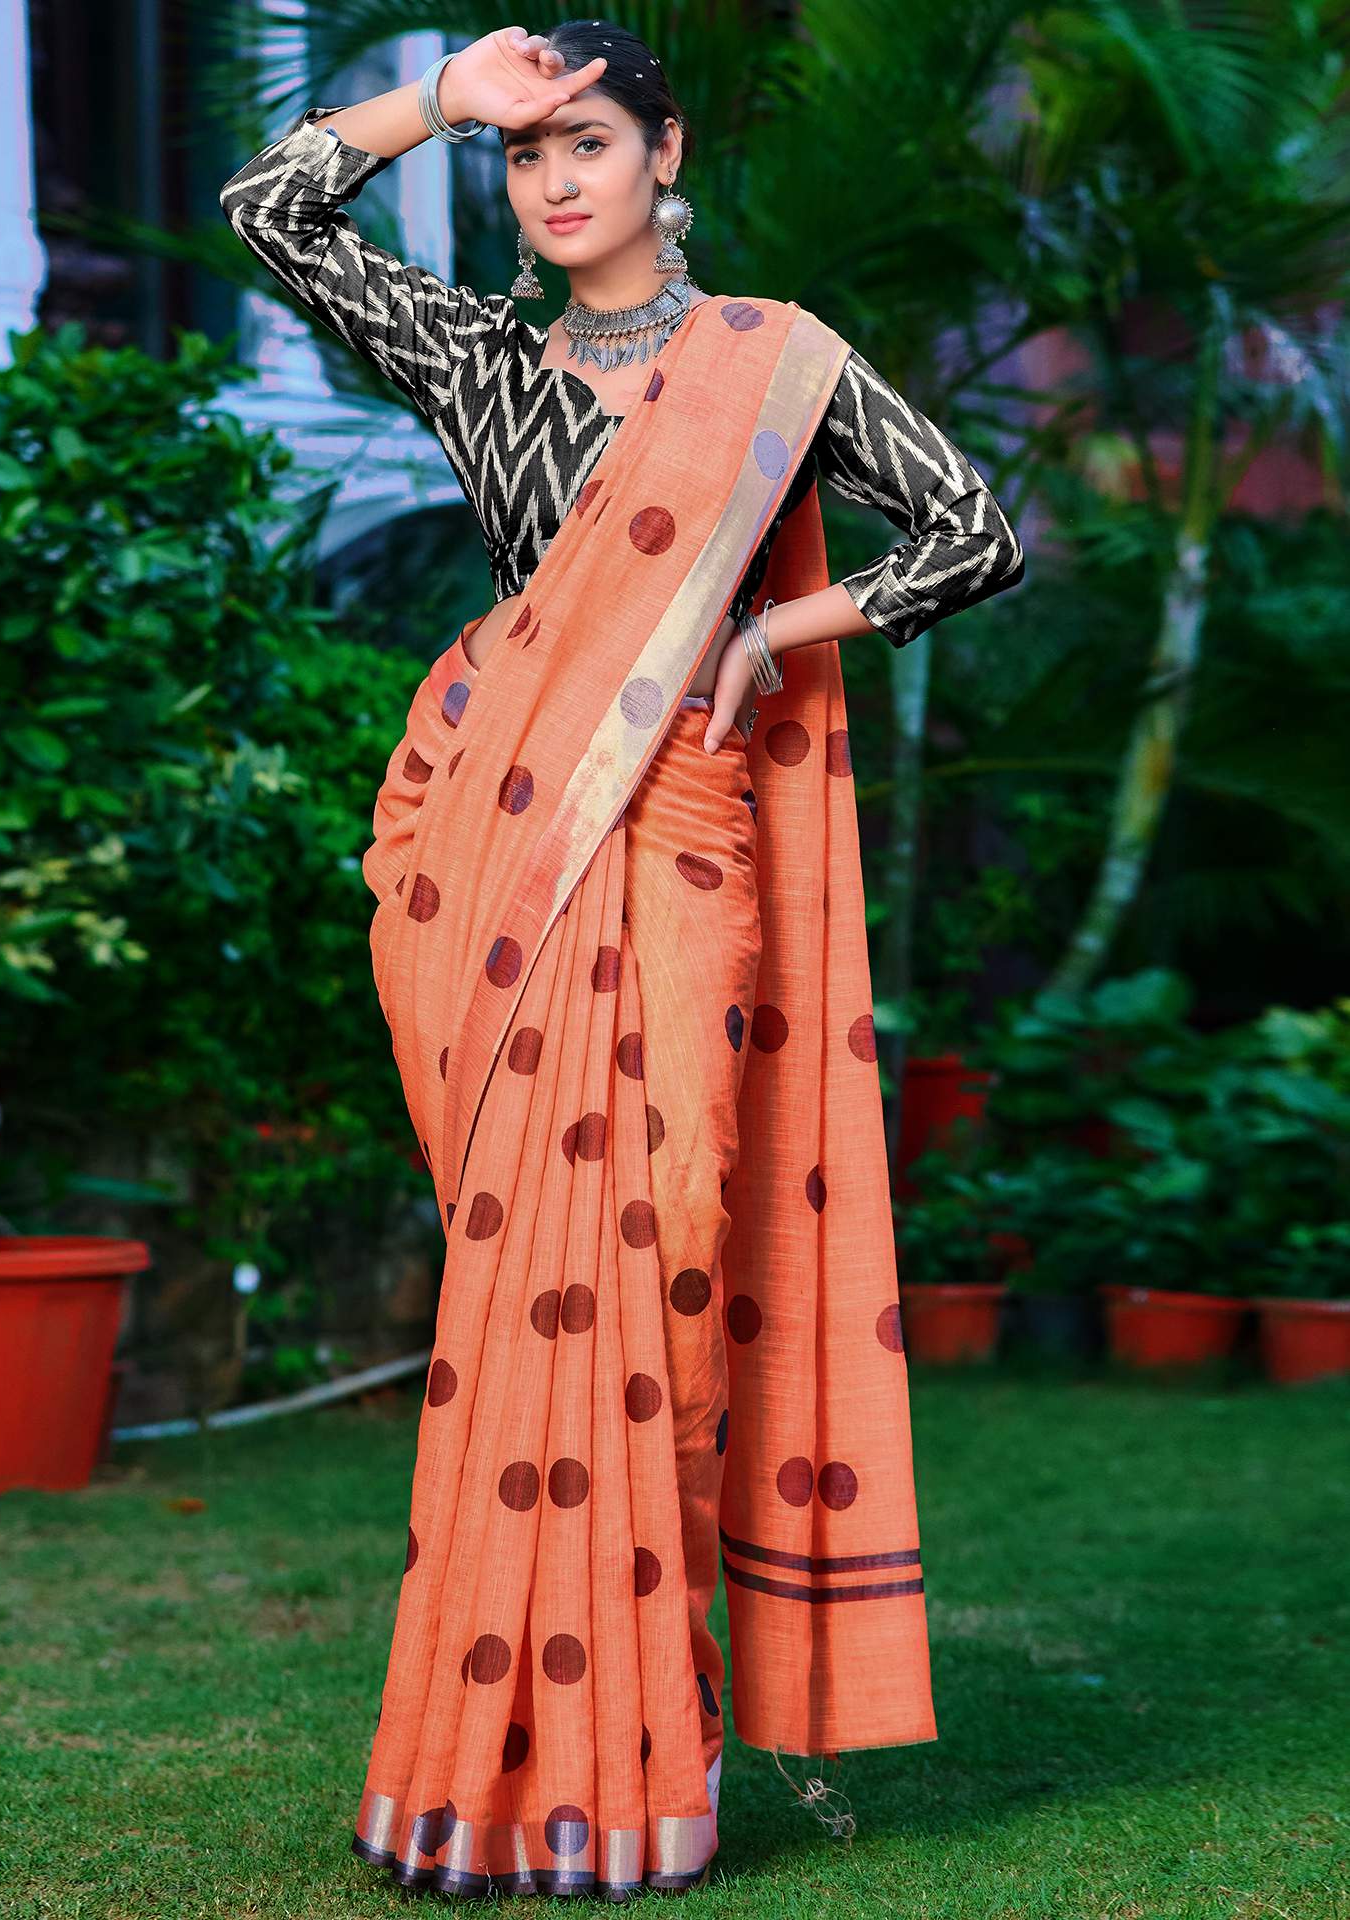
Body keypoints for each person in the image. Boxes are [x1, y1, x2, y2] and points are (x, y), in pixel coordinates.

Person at [220, 20, 1024, 1902]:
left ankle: (636, 1772)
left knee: (655, 1273)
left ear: (665, 155)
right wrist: (438, 98)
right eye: (529, 157)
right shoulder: (482, 360)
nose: (554, 180)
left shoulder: (774, 364)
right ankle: (473, 1779)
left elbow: (975, 532)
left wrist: (772, 639)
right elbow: (269, 207)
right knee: (514, 1297)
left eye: (587, 142)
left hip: (675, 839)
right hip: (499, 845)